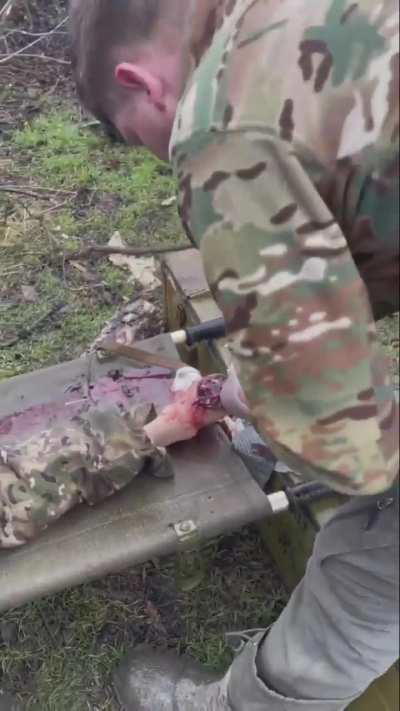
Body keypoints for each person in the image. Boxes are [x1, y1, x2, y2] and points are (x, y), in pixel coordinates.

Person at [68, 1, 399, 709]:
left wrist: (264, 403)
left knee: (376, 552)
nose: (165, 157)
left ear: (142, 82)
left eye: (142, 138)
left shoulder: (220, 122)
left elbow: (349, 452)